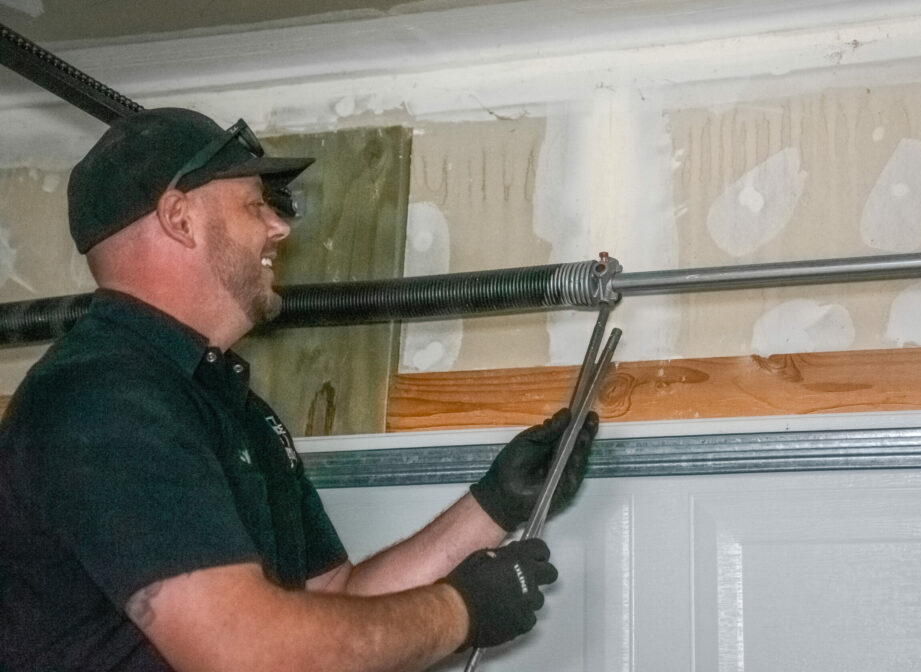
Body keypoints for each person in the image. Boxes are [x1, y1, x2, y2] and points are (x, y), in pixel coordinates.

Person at [0, 108, 598, 672]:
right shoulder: (103, 400)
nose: (278, 227)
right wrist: (460, 610)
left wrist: (495, 503)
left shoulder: (226, 405)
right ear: (179, 218)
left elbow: (337, 595)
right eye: (254, 205)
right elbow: (245, 651)